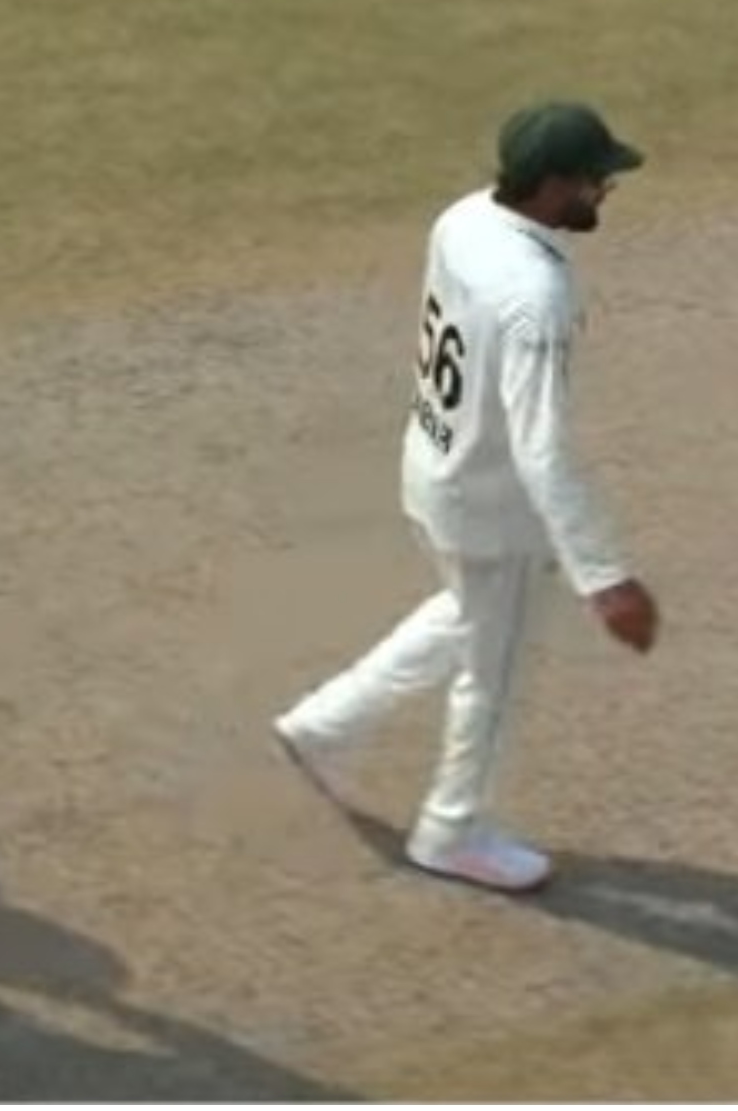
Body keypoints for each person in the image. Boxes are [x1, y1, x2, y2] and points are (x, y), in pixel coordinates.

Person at [271, 102, 662, 894]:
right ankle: (451, 831)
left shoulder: (462, 220)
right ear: (554, 185)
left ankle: (323, 725)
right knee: (496, 674)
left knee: (470, 613)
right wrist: (604, 576)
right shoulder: (537, 293)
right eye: (596, 180)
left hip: (433, 466)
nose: (605, 192)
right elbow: (541, 447)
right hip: (492, 506)